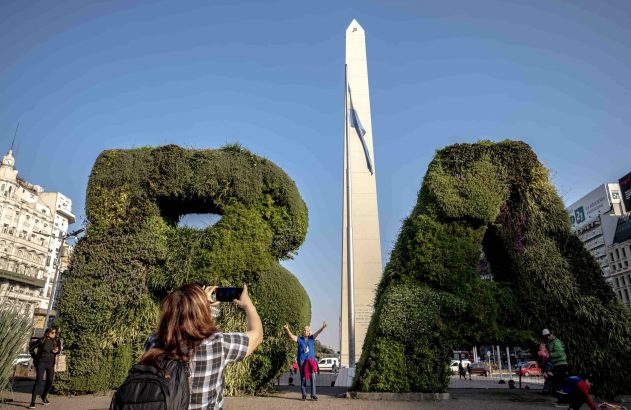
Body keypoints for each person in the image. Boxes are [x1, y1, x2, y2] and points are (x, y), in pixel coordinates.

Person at [142, 284, 263, 409]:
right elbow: (257, 335)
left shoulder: (153, 342)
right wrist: (249, 306)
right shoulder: (217, 344)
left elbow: (184, 327)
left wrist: (199, 306)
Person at [283, 321, 327, 401]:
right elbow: (292, 336)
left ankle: (313, 395)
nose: (305, 331)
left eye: (307, 330)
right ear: (302, 332)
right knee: (303, 377)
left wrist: (322, 327)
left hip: (310, 360)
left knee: (312, 377)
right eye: (304, 330)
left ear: (309, 332)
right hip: (302, 360)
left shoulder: (311, 338)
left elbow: (317, 332)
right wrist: (287, 329)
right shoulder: (299, 339)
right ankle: (304, 394)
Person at [28, 328, 60, 408]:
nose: (54, 334)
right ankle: (32, 402)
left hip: (51, 364)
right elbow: (31, 349)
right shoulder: (41, 340)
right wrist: (35, 358)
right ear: (47, 333)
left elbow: (58, 350)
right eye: (53, 332)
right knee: (39, 381)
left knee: (50, 381)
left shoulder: (56, 341)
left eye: (55, 332)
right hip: (41, 363)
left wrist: (57, 351)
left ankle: (43, 396)